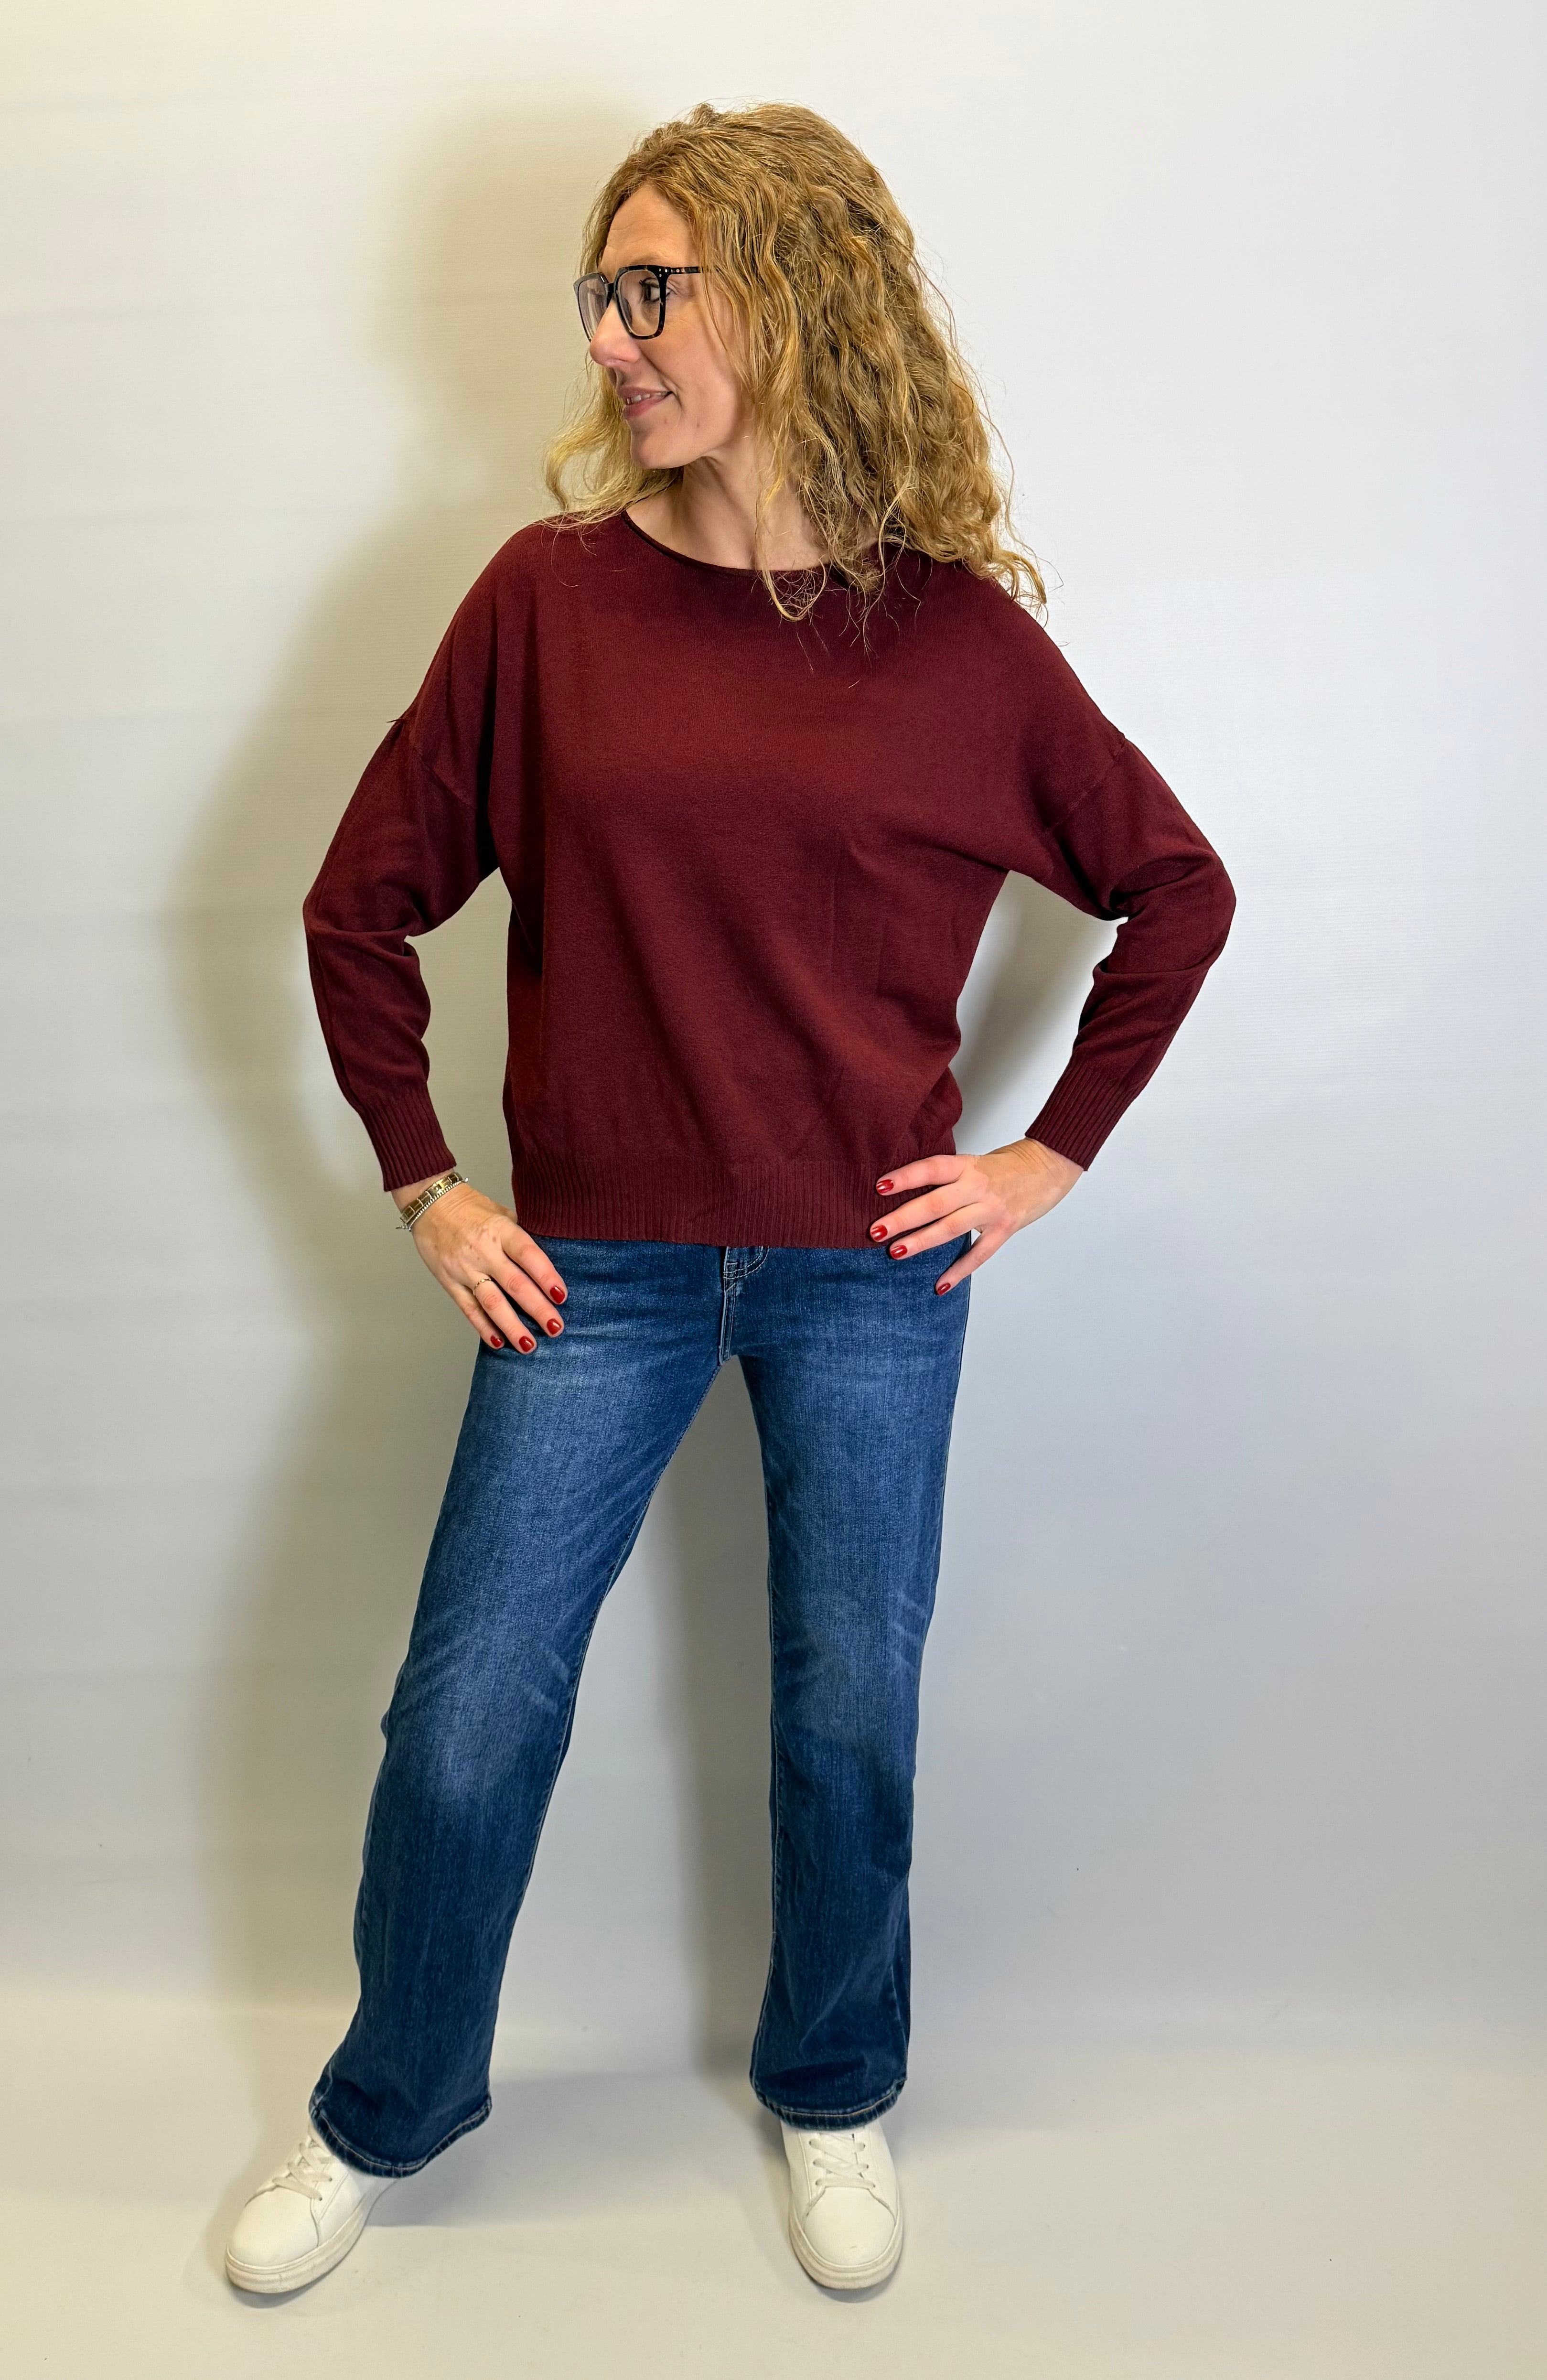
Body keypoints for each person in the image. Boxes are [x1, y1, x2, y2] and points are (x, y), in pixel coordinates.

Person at [225, 98, 1235, 2299]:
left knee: (846, 1703)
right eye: (603, 291)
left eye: (651, 287)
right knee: (469, 1707)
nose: (612, 336)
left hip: (868, 1264)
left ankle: (835, 2087)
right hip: (586, 1262)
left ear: (787, 296)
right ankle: (385, 2109)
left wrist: (1039, 1156)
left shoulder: (955, 644)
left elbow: (1173, 887)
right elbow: (354, 908)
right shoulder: (544, 605)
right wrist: (425, 1186)